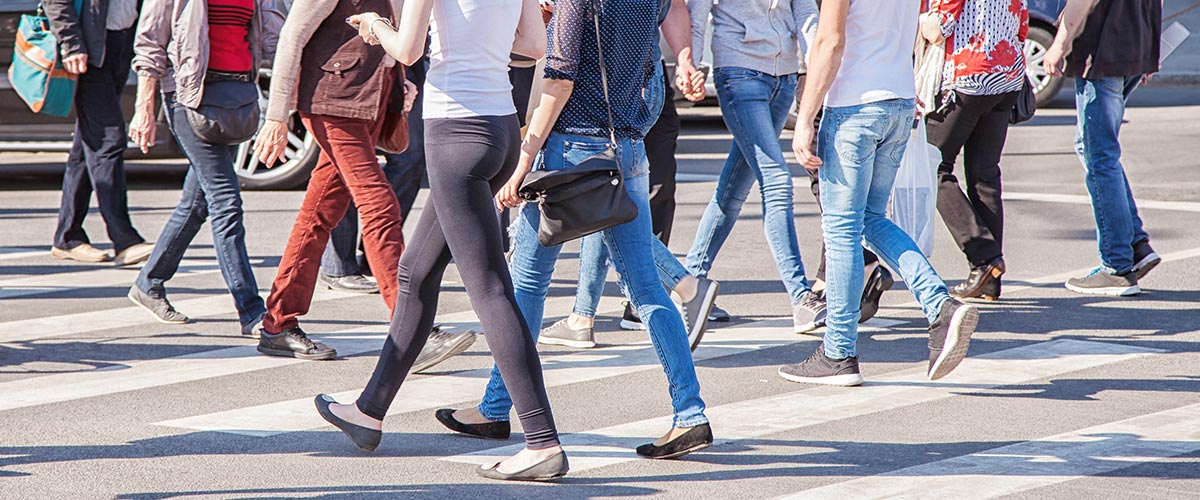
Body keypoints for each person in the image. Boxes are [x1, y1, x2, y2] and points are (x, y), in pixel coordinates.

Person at [436, 0, 714, 462]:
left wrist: (525, 157)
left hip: (570, 151)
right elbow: (647, 67)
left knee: (525, 283)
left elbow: (560, 76)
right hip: (624, 146)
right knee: (646, 288)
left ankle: (498, 408)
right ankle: (690, 413)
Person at [313, 0, 568, 481]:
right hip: (500, 127)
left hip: (456, 130)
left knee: (489, 287)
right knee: (416, 272)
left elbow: (407, 50)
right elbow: (533, 47)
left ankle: (542, 441)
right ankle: (369, 411)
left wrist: (375, 25)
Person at [782, 0, 980, 386]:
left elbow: (829, 42)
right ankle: (939, 304)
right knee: (870, 221)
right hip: (898, 101)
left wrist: (805, 118)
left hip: (854, 107)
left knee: (841, 231)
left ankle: (838, 352)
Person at [526, 0, 719, 350]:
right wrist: (685, 58)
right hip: (638, 86)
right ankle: (583, 316)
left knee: (596, 197)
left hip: (591, 105)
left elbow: (557, 70)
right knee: (604, 198)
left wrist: (525, 154)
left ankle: (685, 285)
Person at [251, 0, 418, 361]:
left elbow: (398, 35)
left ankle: (278, 324)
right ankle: (411, 331)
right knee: (379, 205)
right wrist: (277, 117)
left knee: (319, 214)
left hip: (370, 101)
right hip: (332, 100)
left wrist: (401, 83)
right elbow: (292, 34)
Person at [126, 0, 281, 334]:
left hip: (236, 96)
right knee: (226, 202)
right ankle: (251, 311)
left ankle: (148, 283)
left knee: (196, 203)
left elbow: (276, 38)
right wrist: (144, 109)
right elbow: (150, 42)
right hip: (189, 97)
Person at [685, 0, 825, 334]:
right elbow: (697, 10)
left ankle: (690, 284)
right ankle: (801, 298)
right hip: (739, 71)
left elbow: (805, 11)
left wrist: (818, 64)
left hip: (783, 78)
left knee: (733, 188)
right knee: (777, 180)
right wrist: (690, 62)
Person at [1044, 0, 1162, 296]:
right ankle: (1135, 244)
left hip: (1103, 50)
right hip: (1133, 43)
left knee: (1100, 156)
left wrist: (1060, 42)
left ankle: (1116, 265)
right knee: (1093, 148)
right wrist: (1150, 51)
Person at [922, 0, 1028, 301]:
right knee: (985, 175)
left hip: (968, 76)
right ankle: (989, 280)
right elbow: (1022, 25)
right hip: (1007, 75)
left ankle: (985, 257)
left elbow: (938, 28)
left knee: (933, 167)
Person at [44, 0, 154, 265]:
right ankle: (124, 239)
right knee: (108, 140)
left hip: (121, 43)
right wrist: (71, 43)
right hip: (89, 49)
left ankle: (67, 238)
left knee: (87, 145)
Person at [317, 55, 430, 294]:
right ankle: (337, 265)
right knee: (345, 165)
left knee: (411, 156)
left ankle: (375, 255)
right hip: (351, 65)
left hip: (404, 63)